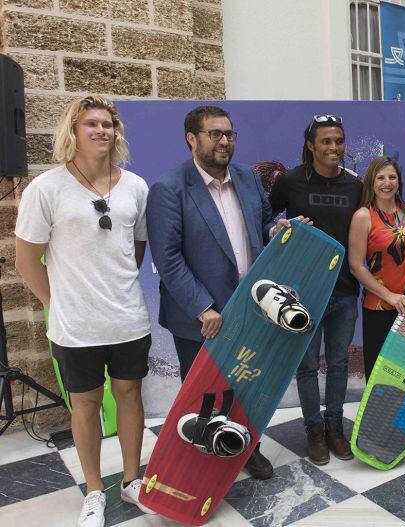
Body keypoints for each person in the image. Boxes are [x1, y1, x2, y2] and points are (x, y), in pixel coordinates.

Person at [15, 96, 154, 527]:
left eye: (108, 124)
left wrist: (112, 290)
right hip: (76, 328)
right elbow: (26, 261)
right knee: (86, 404)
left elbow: (136, 250)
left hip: (128, 319)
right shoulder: (46, 188)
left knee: (131, 397)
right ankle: (94, 489)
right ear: (72, 132)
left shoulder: (136, 186)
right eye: (91, 124)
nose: (101, 131)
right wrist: (59, 304)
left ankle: (132, 480)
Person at [147, 105, 287, 481]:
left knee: (245, 384)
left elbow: (261, 226)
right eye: (215, 134)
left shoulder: (246, 178)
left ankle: (246, 449)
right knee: (203, 397)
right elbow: (168, 258)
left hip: (249, 309)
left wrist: (278, 232)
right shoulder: (169, 188)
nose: (225, 141)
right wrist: (202, 306)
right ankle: (204, 462)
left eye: (229, 134)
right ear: (192, 139)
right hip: (202, 319)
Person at [269, 114, 363, 465]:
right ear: (311, 145)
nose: (333, 148)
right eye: (325, 141)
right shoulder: (289, 181)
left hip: (343, 293)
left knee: (338, 363)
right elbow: (267, 218)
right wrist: (279, 227)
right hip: (300, 292)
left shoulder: (355, 186)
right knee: (306, 366)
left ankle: (335, 427)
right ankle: (314, 430)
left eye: (338, 141)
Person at [348, 156, 405, 449]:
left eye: (391, 177)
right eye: (380, 178)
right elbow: (356, 266)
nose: (387, 183)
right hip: (380, 306)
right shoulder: (363, 216)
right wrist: (389, 296)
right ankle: (379, 431)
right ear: (371, 183)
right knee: (381, 373)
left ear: (398, 181)